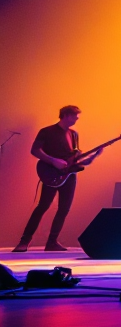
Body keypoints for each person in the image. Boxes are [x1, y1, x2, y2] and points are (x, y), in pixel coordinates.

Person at [13, 105, 98, 253]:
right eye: (74, 116)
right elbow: (34, 150)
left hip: (69, 175)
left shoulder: (74, 134)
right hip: (51, 174)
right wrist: (52, 160)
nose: (77, 119)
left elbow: (74, 158)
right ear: (65, 115)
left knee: (64, 209)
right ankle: (24, 241)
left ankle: (52, 242)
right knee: (43, 206)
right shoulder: (47, 132)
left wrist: (92, 157)